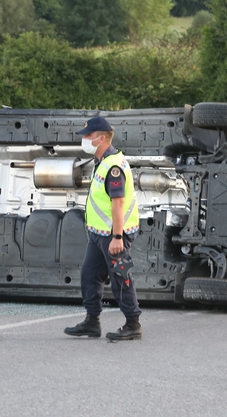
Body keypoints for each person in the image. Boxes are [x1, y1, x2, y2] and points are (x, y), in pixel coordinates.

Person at [64, 116, 143, 341]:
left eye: (88, 136)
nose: (84, 139)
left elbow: (118, 203)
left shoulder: (113, 166)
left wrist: (117, 237)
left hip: (114, 235)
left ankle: (132, 323)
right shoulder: (103, 161)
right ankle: (92, 321)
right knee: (89, 274)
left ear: (101, 138)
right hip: (100, 235)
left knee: (121, 276)